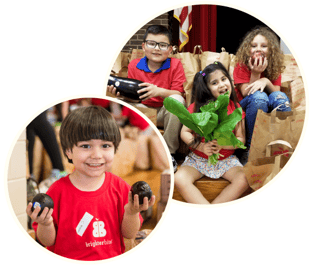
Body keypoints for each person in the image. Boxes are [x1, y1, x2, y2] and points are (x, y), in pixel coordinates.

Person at [26, 105, 155, 261]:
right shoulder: (56, 191)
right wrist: (45, 223)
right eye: (86, 146)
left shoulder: (120, 187)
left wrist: (132, 212)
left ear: (114, 149)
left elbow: (129, 234)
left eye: (105, 146)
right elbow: (48, 242)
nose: (96, 155)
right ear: (68, 151)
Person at [107, 25, 187, 171]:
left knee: (178, 101)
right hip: (143, 110)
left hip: (165, 111)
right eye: (152, 44)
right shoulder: (134, 65)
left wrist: (158, 91)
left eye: (162, 45)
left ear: (170, 49)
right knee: (121, 102)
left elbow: (178, 94)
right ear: (144, 46)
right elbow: (134, 97)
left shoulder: (176, 65)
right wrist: (119, 94)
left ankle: (169, 153)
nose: (156, 48)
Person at [174, 62, 249, 204]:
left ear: (230, 81)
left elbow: (241, 139)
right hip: (198, 159)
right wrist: (200, 147)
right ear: (206, 88)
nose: (221, 84)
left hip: (226, 160)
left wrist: (224, 145)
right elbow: (184, 132)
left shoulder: (236, 108)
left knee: (244, 179)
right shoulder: (196, 107)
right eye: (214, 83)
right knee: (179, 178)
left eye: (224, 79)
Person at [233, 26, 291, 149]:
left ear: (271, 50)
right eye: (253, 46)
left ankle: (281, 145)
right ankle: (250, 149)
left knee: (281, 98)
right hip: (246, 107)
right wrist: (256, 73)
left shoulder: (274, 65)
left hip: (268, 105)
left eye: (263, 46)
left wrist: (266, 81)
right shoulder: (241, 64)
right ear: (247, 49)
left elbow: (276, 93)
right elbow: (246, 93)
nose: (258, 49)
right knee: (259, 97)